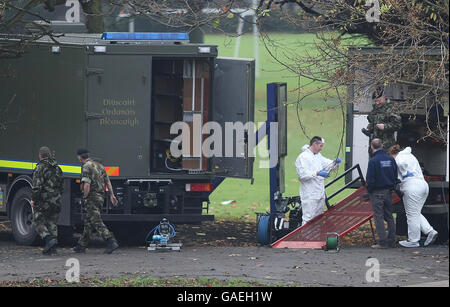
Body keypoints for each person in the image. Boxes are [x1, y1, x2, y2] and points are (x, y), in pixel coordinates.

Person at [388, 145, 438, 248]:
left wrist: (401, 171)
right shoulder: (410, 156)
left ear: (393, 154)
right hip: (423, 185)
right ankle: (430, 231)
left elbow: (401, 163)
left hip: (411, 186)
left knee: (411, 214)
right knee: (415, 212)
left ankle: (413, 240)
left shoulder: (399, 158)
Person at [73, 149, 119, 254]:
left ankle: (110, 241)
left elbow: (87, 184)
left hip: (92, 197)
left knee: (95, 220)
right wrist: (112, 195)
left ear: (80, 157)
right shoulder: (99, 166)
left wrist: (85, 197)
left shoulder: (86, 167)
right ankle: (81, 245)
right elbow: (108, 181)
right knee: (89, 221)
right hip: (100, 197)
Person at [295, 136, 341, 225]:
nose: (321, 148)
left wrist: (335, 162)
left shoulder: (318, 156)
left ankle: (315, 238)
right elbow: (302, 175)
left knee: (318, 218)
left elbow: (327, 164)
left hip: (319, 192)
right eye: (320, 146)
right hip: (309, 193)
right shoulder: (303, 157)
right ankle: (306, 238)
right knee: (309, 218)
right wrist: (317, 173)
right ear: (314, 144)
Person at [31, 146, 64, 255]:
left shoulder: (40, 168)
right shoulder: (58, 168)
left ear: (40, 155)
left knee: (37, 220)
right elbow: (61, 186)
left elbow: (37, 187)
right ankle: (53, 248)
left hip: (44, 199)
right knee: (52, 222)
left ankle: (48, 239)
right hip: (56, 199)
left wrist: (34, 199)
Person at [366, 139, 397, 249]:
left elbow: (370, 179)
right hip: (389, 192)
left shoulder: (373, 161)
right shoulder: (390, 159)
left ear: (372, 147)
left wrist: (369, 191)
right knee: (389, 216)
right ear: (382, 145)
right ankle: (392, 240)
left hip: (377, 192)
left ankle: (383, 242)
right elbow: (395, 175)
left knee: (378, 217)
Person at [362, 87, 402, 155]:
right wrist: (368, 129)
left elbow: (398, 126)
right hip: (374, 146)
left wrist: (385, 126)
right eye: (375, 101)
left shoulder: (391, 109)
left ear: (384, 97)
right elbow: (372, 122)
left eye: (378, 100)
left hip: (387, 147)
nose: (377, 103)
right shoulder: (375, 109)